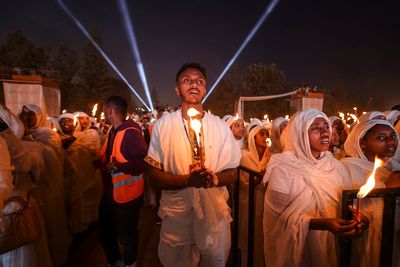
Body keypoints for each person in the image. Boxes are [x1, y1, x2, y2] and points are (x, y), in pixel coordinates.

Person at [145, 63, 241, 267]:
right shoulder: (163, 125)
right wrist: (188, 181)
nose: (194, 84)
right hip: (177, 218)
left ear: (205, 89)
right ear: (177, 89)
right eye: (186, 80)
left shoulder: (220, 127)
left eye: (200, 81)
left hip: (214, 219)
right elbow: (153, 175)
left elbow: (233, 173)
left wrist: (212, 179)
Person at [262, 109, 368, 267]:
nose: (325, 132)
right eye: (315, 128)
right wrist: (323, 224)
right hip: (298, 251)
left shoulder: (335, 166)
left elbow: (345, 203)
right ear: (300, 134)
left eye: (326, 126)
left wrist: (358, 219)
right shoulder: (284, 168)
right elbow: (278, 222)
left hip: (332, 244)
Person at [97, 96, 148, 267]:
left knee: (127, 236)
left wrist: (119, 167)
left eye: (105, 110)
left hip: (127, 198)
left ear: (110, 110)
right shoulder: (113, 131)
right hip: (110, 195)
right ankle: (115, 261)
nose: (103, 114)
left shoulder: (130, 133)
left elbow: (145, 163)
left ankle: (130, 263)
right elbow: (109, 157)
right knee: (105, 232)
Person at [341, 119, 399, 267]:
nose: (391, 141)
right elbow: (353, 210)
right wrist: (387, 188)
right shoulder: (348, 169)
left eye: (393, 136)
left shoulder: (393, 167)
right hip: (366, 245)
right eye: (381, 138)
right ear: (362, 143)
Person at [239, 124, 270, 267]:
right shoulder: (244, 156)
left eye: (266, 134)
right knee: (249, 235)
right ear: (253, 137)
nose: (265, 137)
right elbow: (244, 183)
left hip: (265, 202)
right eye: (261, 134)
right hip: (249, 202)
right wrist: (260, 176)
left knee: (263, 236)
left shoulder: (271, 157)